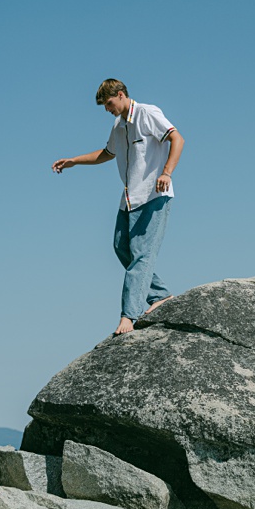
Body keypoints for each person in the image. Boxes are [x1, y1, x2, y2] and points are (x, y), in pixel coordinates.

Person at [52, 79, 184, 337]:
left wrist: (167, 173)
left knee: (141, 254)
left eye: (109, 103)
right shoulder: (119, 125)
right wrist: (74, 161)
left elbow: (177, 138)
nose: (107, 109)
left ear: (121, 95)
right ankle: (160, 295)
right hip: (129, 199)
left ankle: (129, 315)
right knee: (120, 246)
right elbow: (107, 153)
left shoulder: (147, 113)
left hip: (153, 195)